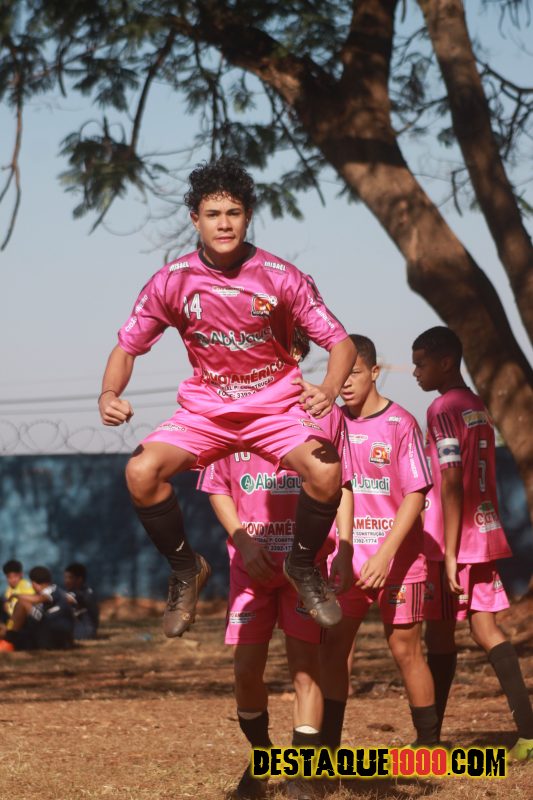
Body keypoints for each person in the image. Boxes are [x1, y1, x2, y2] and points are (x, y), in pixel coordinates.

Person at [98, 157, 356, 637]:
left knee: (326, 471)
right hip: (207, 413)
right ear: (195, 219)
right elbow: (127, 347)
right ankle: (186, 569)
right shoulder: (171, 280)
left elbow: (340, 343)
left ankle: (302, 566)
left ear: (248, 216)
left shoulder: (282, 277)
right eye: (213, 214)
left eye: (233, 213)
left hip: (275, 410)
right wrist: (109, 393)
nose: (223, 224)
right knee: (140, 471)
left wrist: (327, 388)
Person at [198, 333, 353, 800]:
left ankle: (303, 776)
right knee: (246, 670)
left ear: (297, 353)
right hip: (252, 567)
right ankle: (262, 759)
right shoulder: (226, 409)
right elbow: (217, 487)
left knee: (306, 670)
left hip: (304, 566)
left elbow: (342, 486)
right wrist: (243, 542)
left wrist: (345, 548)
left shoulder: (324, 411)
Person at [413, 325, 533, 761]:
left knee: (438, 636)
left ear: (446, 362)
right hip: (483, 533)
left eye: (421, 363)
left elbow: (449, 480)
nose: (415, 372)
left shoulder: (441, 408)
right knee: (485, 629)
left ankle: (429, 742)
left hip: (453, 540)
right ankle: (528, 734)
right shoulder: (476, 406)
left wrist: (448, 555)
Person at [320, 335, 439, 751]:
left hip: (398, 562)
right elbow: (337, 490)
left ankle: (429, 746)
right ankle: (327, 750)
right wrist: (345, 549)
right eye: (339, 375)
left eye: (354, 373)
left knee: (406, 650)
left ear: (373, 372)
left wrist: (386, 555)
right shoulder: (332, 423)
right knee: (335, 649)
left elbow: (416, 495)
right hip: (348, 560)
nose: (345, 383)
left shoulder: (400, 423)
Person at [0, 566, 74, 651]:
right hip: (51, 632)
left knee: (22, 604)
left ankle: (9, 640)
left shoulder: (52, 591)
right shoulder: (58, 591)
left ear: (34, 584)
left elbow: (40, 598)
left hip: (52, 634)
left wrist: (16, 595)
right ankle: (9, 637)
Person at [64, 562, 99, 640]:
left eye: (70, 578)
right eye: (65, 577)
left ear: (79, 579)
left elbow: (69, 599)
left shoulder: (85, 593)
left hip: (84, 631)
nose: (66, 581)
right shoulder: (73, 592)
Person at [1, 559, 35, 627]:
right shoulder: (9, 589)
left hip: (24, 622)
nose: (13, 580)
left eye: (15, 576)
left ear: (21, 574)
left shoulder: (26, 586)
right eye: (9, 577)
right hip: (11, 620)